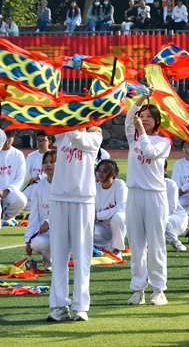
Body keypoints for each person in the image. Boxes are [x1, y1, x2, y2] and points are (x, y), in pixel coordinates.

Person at [47, 127, 102, 322]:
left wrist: (70, 124)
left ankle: (80, 307)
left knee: (81, 255)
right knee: (59, 256)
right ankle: (59, 306)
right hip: (59, 198)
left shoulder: (95, 136)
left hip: (83, 199)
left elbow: (79, 140)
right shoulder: (62, 133)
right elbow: (49, 122)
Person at [125, 91, 171, 306]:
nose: (143, 119)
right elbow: (129, 118)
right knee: (136, 245)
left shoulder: (164, 141)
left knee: (156, 244)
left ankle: (159, 290)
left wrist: (141, 131)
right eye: (141, 116)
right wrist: (142, 99)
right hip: (134, 194)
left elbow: (150, 152)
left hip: (154, 195)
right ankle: (138, 290)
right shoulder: (133, 138)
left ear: (157, 121)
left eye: (148, 117)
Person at [25, 150, 56, 267]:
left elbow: (66, 212)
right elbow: (34, 214)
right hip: (47, 232)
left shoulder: (66, 185)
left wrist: (48, 222)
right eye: (45, 162)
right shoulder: (38, 187)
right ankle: (49, 261)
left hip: (66, 231)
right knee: (36, 243)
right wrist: (29, 238)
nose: (48, 165)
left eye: (52, 162)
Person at [93, 159, 128, 257]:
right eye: (99, 170)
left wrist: (97, 215)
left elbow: (121, 207)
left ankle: (118, 249)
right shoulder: (95, 187)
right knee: (84, 230)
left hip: (120, 225)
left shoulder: (119, 184)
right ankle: (107, 246)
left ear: (113, 174)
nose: (100, 173)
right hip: (102, 227)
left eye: (105, 171)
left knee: (118, 217)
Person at [0, 129, 26, 229]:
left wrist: (6, 191)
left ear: (13, 139)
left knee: (21, 200)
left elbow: (20, 178)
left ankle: (6, 216)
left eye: (9, 138)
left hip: (10, 191)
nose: (6, 141)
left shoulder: (18, 154)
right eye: (4, 138)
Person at [171, 140, 189, 213]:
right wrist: (181, 190)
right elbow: (176, 186)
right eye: (184, 147)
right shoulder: (178, 164)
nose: (186, 149)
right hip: (184, 196)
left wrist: (184, 188)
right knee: (175, 207)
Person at [23, 131, 50, 205]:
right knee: (20, 199)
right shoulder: (31, 156)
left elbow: (56, 173)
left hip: (49, 185)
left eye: (43, 140)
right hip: (34, 186)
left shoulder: (53, 155)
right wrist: (19, 190)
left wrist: (39, 177)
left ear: (49, 142)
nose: (40, 143)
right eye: (38, 140)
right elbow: (24, 174)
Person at [165, 173, 189, 253]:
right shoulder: (147, 183)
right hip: (158, 218)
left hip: (178, 218)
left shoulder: (169, 184)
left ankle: (175, 242)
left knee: (160, 218)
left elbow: (172, 209)